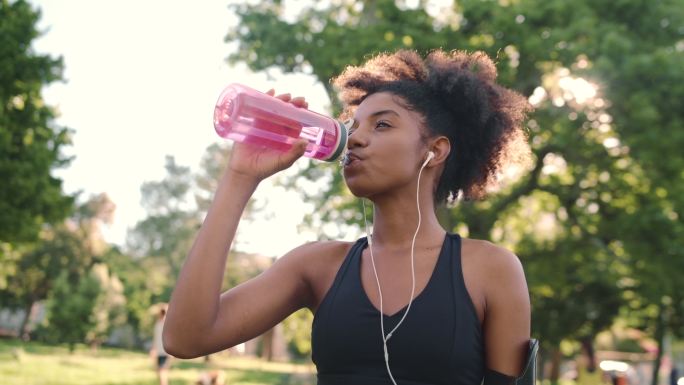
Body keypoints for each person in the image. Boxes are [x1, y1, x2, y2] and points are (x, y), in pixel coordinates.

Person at [164, 49, 533, 385]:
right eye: (353, 126)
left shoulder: (490, 269)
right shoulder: (316, 266)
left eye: (382, 125)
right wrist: (240, 177)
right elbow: (185, 338)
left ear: (434, 151)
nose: (355, 139)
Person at [151, 305, 170, 385]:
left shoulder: (166, 324)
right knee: (160, 371)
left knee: (162, 372)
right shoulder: (159, 324)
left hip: (165, 352)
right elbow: (155, 338)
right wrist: (153, 349)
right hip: (160, 351)